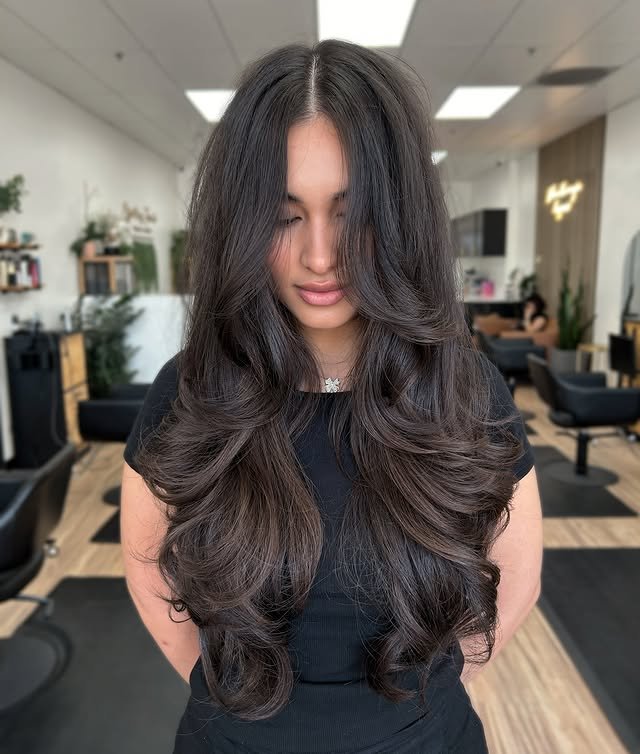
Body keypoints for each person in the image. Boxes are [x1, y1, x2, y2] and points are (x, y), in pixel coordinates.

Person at [121, 39, 543, 754]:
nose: (320, 256)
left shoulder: (465, 391)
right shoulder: (189, 393)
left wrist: (402, 717)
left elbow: (517, 582)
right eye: (284, 216)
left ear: (401, 218)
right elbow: (149, 575)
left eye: (353, 214)